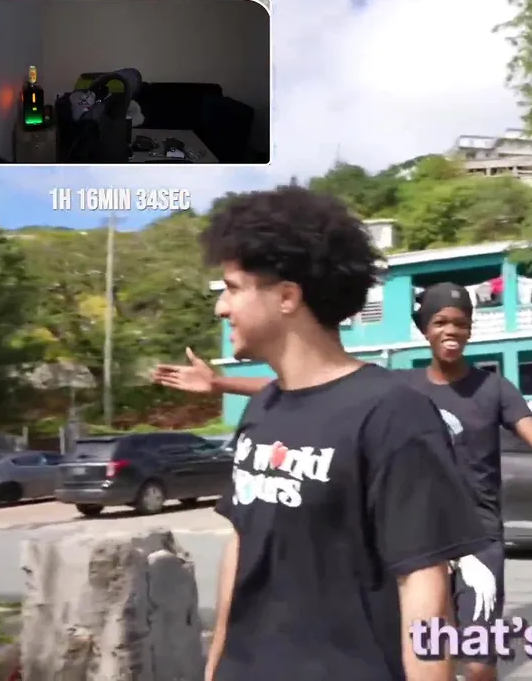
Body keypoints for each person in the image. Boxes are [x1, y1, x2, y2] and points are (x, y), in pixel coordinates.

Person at [155, 292, 532, 681]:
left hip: (477, 537)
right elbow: (309, 387)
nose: (452, 331)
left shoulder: (495, 388)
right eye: (441, 322)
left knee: (478, 663)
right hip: (414, 539)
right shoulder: (400, 388)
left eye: (461, 324)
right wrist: (219, 384)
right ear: (424, 330)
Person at [193, 187, 490, 681]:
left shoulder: (393, 413)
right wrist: (215, 667)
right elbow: (243, 548)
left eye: (232, 288)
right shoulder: (262, 408)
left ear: (287, 297)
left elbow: (425, 588)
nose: (222, 308)